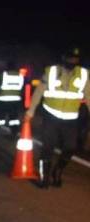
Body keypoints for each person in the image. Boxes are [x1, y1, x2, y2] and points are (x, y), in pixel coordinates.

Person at [26, 47, 90, 188]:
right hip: (51, 117)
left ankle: (58, 171)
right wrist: (31, 111)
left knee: (70, 148)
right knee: (48, 147)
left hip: (71, 119)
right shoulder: (51, 71)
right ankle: (44, 179)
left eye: (75, 59)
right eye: (70, 58)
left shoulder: (84, 74)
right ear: (63, 57)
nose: (72, 61)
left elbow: (88, 95)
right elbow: (39, 91)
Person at [0, 61, 24, 137]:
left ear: (7, 67)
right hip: (15, 100)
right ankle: (14, 133)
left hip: (3, 100)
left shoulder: (4, 75)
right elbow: (22, 89)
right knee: (14, 118)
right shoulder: (20, 76)